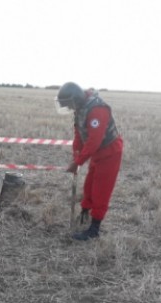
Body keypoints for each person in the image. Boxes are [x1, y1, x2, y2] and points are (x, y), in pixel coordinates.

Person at [55, 82, 124, 241]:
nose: (69, 108)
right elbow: (79, 134)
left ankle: (94, 229)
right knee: (89, 186)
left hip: (110, 152)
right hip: (97, 153)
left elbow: (94, 141)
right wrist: (76, 154)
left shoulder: (97, 110)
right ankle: (85, 213)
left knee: (101, 190)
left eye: (69, 104)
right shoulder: (81, 108)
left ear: (76, 99)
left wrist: (77, 163)